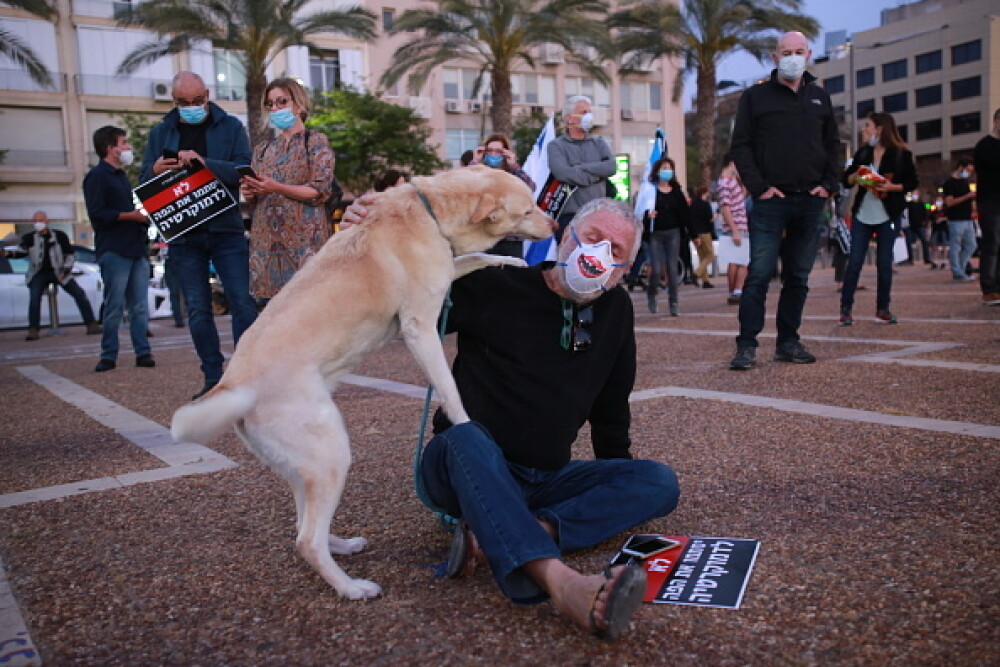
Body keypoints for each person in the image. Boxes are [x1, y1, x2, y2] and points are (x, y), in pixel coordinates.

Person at [344, 197, 680, 640]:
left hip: (543, 480)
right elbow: (394, 304)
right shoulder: (495, 282)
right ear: (566, 237)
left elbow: (612, 407)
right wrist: (363, 242)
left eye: (616, 252)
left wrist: (611, 477)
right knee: (467, 435)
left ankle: (505, 533)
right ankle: (561, 583)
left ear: (624, 270)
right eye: (593, 238)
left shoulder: (616, 311)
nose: (599, 255)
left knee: (657, 482)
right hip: (460, 465)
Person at [728, 31, 840, 370]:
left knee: (798, 277)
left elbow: (833, 144)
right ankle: (746, 345)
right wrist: (759, 187)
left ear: (809, 54)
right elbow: (741, 146)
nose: (792, 56)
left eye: (798, 51)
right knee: (759, 275)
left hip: (809, 201)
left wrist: (829, 184)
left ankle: (788, 342)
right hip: (770, 201)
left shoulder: (819, 97)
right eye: (785, 51)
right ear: (775, 57)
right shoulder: (755, 96)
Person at [142, 71, 257, 399]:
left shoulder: (231, 127)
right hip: (184, 234)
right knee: (197, 307)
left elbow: (242, 171)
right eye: (183, 103)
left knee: (242, 301)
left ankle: (246, 374)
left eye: (197, 101)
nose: (191, 107)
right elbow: (142, 179)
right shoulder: (161, 132)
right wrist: (154, 171)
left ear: (207, 95)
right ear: (174, 102)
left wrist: (204, 162)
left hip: (226, 229)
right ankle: (212, 376)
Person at [241, 77, 335, 304]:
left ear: (299, 104)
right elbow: (253, 200)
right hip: (266, 248)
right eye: (270, 104)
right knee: (271, 317)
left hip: (305, 246)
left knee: (309, 311)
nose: (275, 109)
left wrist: (277, 187)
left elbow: (318, 190)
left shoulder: (315, 141)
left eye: (281, 102)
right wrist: (250, 191)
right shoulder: (263, 150)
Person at [83, 126, 154, 372]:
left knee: (139, 306)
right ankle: (108, 355)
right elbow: (97, 214)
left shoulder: (122, 177)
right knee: (114, 306)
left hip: (135, 249)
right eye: (124, 143)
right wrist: (130, 216)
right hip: (114, 251)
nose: (128, 148)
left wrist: (141, 220)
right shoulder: (96, 177)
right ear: (110, 149)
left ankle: (143, 352)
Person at [839, 112, 918, 326]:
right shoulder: (863, 153)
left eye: (867, 126)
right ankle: (845, 309)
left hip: (888, 214)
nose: (864, 130)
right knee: (854, 261)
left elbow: (912, 182)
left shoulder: (900, 154)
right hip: (863, 214)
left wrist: (893, 187)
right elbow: (846, 180)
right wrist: (855, 177)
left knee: (884, 262)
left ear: (880, 129)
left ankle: (882, 308)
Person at [20, 211, 102, 341]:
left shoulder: (59, 236)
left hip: (59, 271)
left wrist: (66, 269)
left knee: (79, 293)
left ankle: (91, 324)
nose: (38, 223)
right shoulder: (28, 238)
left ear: (47, 221)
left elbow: (69, 254)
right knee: (34, 298)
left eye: (41, 220)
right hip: (38, 273)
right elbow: (20, 252)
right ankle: (33, 329)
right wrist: (6, 253)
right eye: (36, 220)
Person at [547, 95, 617, 238]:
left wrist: (580, 168)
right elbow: (562, 173)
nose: (589, 116)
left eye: (589, 112)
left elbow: (611, 167)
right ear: (569, 118)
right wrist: (596, 176)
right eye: (584, 112)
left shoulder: (599, 143)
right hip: (570, 217)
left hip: (598, 215)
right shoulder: (556, 146)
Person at [640, 156, 692, 315]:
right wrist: (648, 215)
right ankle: (652, 293)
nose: (667, 171)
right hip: (656, 234)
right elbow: (641, 211)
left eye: (669, 168)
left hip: (673, 233)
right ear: (657, 171)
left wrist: (693, 234)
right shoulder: (650, 191)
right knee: (656, 269)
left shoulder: (676, 192)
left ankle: (673, 302)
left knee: (671, 268)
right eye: (664, 168)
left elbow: (685, 214)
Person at [470, 133, 535, 258]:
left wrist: (514, 166)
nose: (493, 155)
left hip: (510, 236)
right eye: (490, 151)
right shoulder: (480, 172)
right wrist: (475, 162)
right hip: (485, 234)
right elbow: (463, 184)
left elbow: (530, 187)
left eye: (498, 151)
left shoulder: (513, 174)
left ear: (505, 153)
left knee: (511, 274)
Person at [973, 107, 1000, 305]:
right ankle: (989, 288)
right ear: (996, 121)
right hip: (990, 201)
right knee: (992, 243)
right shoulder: (984, 146)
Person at [716, 155, 750, 305]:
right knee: (741, 260)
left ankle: (735, 291)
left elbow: (738, 199)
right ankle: (737, 290)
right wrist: (734, 229)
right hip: (736, 224)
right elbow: (725, 207)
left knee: (736, 259)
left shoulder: (732, 181)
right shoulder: (725, 182)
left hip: (739, 223)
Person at [940, 158, 977, 283]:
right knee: (955, 246)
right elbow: (949, 202)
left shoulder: (964, 182)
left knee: (971, 245)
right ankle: (957, 272)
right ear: (961, 167)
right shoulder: (949, 183)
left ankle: (960, 269)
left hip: (967, 218)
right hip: (956, 219)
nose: (969, 173)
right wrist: (967, 196)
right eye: (968, 170)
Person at [688, 186, 716, 289]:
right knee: (710, 255)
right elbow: (709, 219)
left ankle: (705, 281)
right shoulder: (705, 205)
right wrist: (716, 216)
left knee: (702, 257)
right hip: (705, 233)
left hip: (695, 234)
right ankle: (696, 273)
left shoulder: (692, 205)